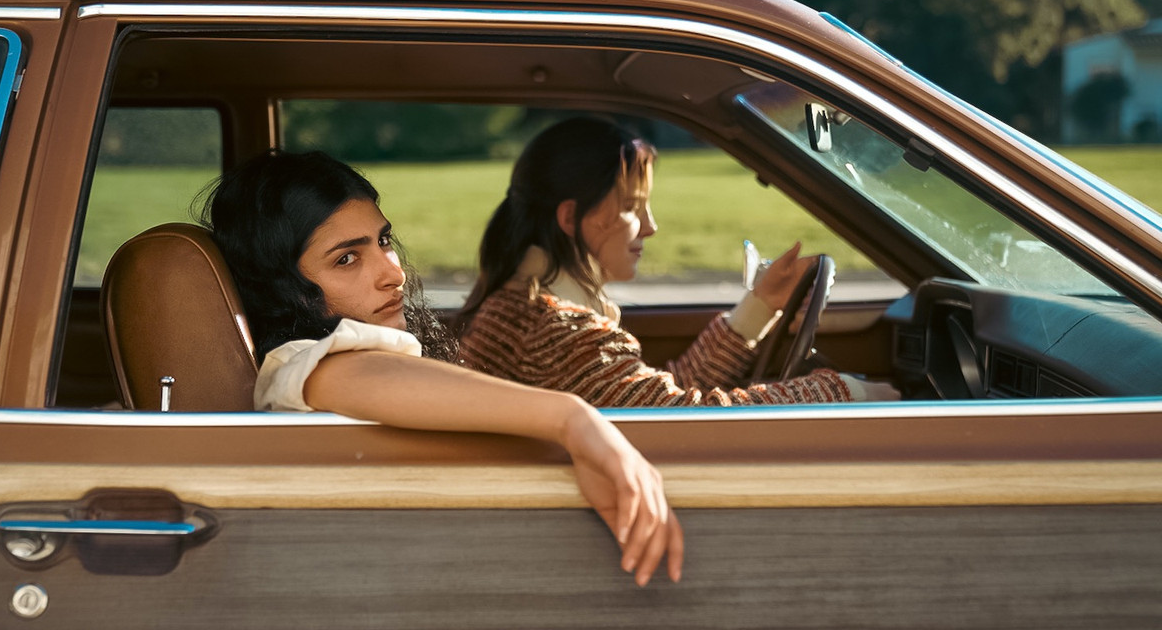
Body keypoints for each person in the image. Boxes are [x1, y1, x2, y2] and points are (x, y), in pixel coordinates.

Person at [200, 150, 681, 587]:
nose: (393, 272)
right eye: (347, 259)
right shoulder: (298, 366)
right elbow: (350, 375)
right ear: (281, 289)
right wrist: (573, 419)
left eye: (383, 241)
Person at [457, 117, 898, 407]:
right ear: (571, 217)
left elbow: (651, 396)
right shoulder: (550, 330)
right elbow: (685, 419)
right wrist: (845, 392)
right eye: (632, 207)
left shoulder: (530, 310)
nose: (650, 227)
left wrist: (760, 305)